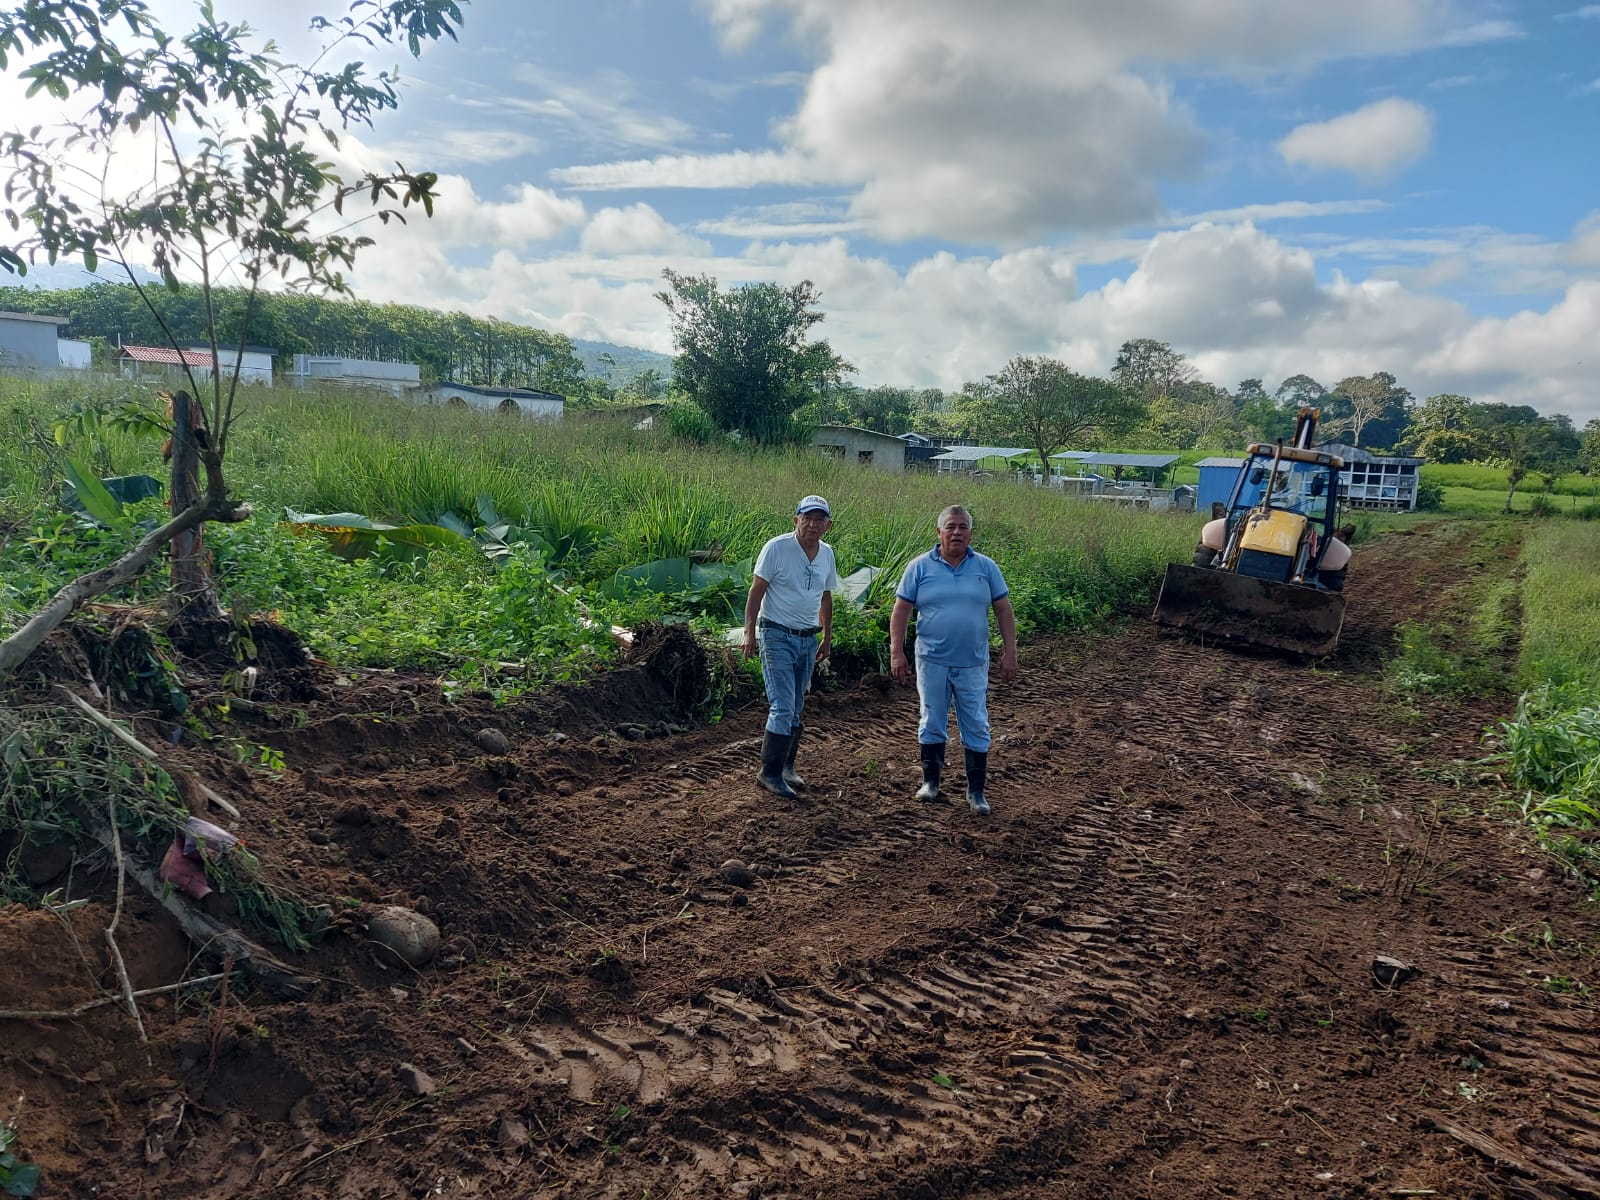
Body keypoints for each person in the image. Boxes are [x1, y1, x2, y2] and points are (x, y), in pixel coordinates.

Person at [889, 505, 1018, 816]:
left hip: (972, 662)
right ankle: (930, 783)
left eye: (962, 527)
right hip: (931, 660)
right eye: (950, 527)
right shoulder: (919, 567)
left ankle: (976, 792)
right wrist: (896, 651)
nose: (956, 532)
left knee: (976, 722)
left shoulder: (986, 568)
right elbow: (901, 610)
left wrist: (1010, 652)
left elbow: (1003, 610)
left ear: (970, 533)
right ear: (939, 532)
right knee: (932, 719)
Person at [743, 495, 840, 799]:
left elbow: (826, 596)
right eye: (806, 518)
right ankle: (769, 773)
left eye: (819, 519)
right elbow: (757, 590)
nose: (812, 524)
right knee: (783, 706)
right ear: (796, 520)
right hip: (776, 634)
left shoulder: (827, 554)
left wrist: (827, 636)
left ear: (828, 525)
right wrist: (749, 632)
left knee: (796, 706)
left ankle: (787, 767)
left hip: (807, 639)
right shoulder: (777, 548)